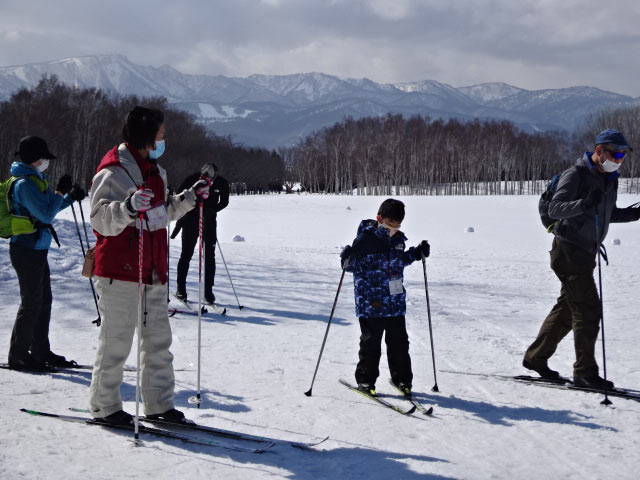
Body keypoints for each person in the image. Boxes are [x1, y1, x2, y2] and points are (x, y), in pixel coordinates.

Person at [88, 106, 210, 426]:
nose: (163, 138)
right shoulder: (113, 170)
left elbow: (159, 216)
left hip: (153, 271)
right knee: (116, 343)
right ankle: (105, 406)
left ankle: (158, 404)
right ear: (145, 135)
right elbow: (101, 219)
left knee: (158, 343)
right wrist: (126, 208)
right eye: (159, 133)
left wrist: (188, 199)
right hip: (120, 271)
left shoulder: (157, 172)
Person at [523, 128, 640, 389]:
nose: (619, 159)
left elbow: (606, 213)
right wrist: (584, 204)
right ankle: (585, 372)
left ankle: (536, 358)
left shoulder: (610, 178)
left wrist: (636, 214)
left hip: (585, 253)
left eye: (623, 155)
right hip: (568, 251)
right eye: (615, 154)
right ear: (599, 151)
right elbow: (556, 209)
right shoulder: (575, 175)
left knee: (568, 310)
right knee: (588, 310)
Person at [7, 135, 85, 370]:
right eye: (44, 158)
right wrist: (61, 193)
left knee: (43, 302)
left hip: (37, 249)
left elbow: (50, 206)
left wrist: (69, 197)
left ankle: (40, 351)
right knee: (31, 303)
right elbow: (45, 215)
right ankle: (18, 355)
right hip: (25, 249)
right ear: (34, 159)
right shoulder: (24, 184)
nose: (46, 162)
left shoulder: (35, 179)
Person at [340, 198, 430, 396]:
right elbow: (353, 267)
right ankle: (365, 381)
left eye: (397, 226)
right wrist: (347, 260)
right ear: (379, 218)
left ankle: (403, 380)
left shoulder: (398, 240)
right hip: (371, 303)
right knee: (371, 344)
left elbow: (399, 262)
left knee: (399, 343)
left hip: (394, 302)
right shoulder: (365, 240)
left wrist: (416, 254)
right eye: (390, 224)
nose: (393, 229)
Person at [171, 163, 229, 305]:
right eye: (205, 175)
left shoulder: (221, 183)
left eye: (211, 175)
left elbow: (224, 202)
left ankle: (208, 291)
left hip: (209, 222)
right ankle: (181, 289)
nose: (208, 178)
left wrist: (213, 210)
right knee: (186, 254)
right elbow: (179, 197)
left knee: (210, 255)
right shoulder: (193, 179)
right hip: (191, 221)